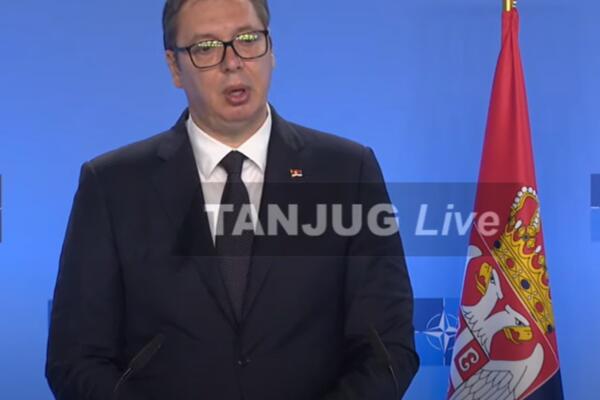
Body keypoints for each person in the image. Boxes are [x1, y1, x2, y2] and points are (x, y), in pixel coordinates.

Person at [45, 0, 419, 399]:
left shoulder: (347, 171)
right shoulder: (111, 185)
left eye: (248, 39)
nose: (233, 62)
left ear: (272, 49)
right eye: (206, 47)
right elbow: (76, 360)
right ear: (175, 67)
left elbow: (388, 348)